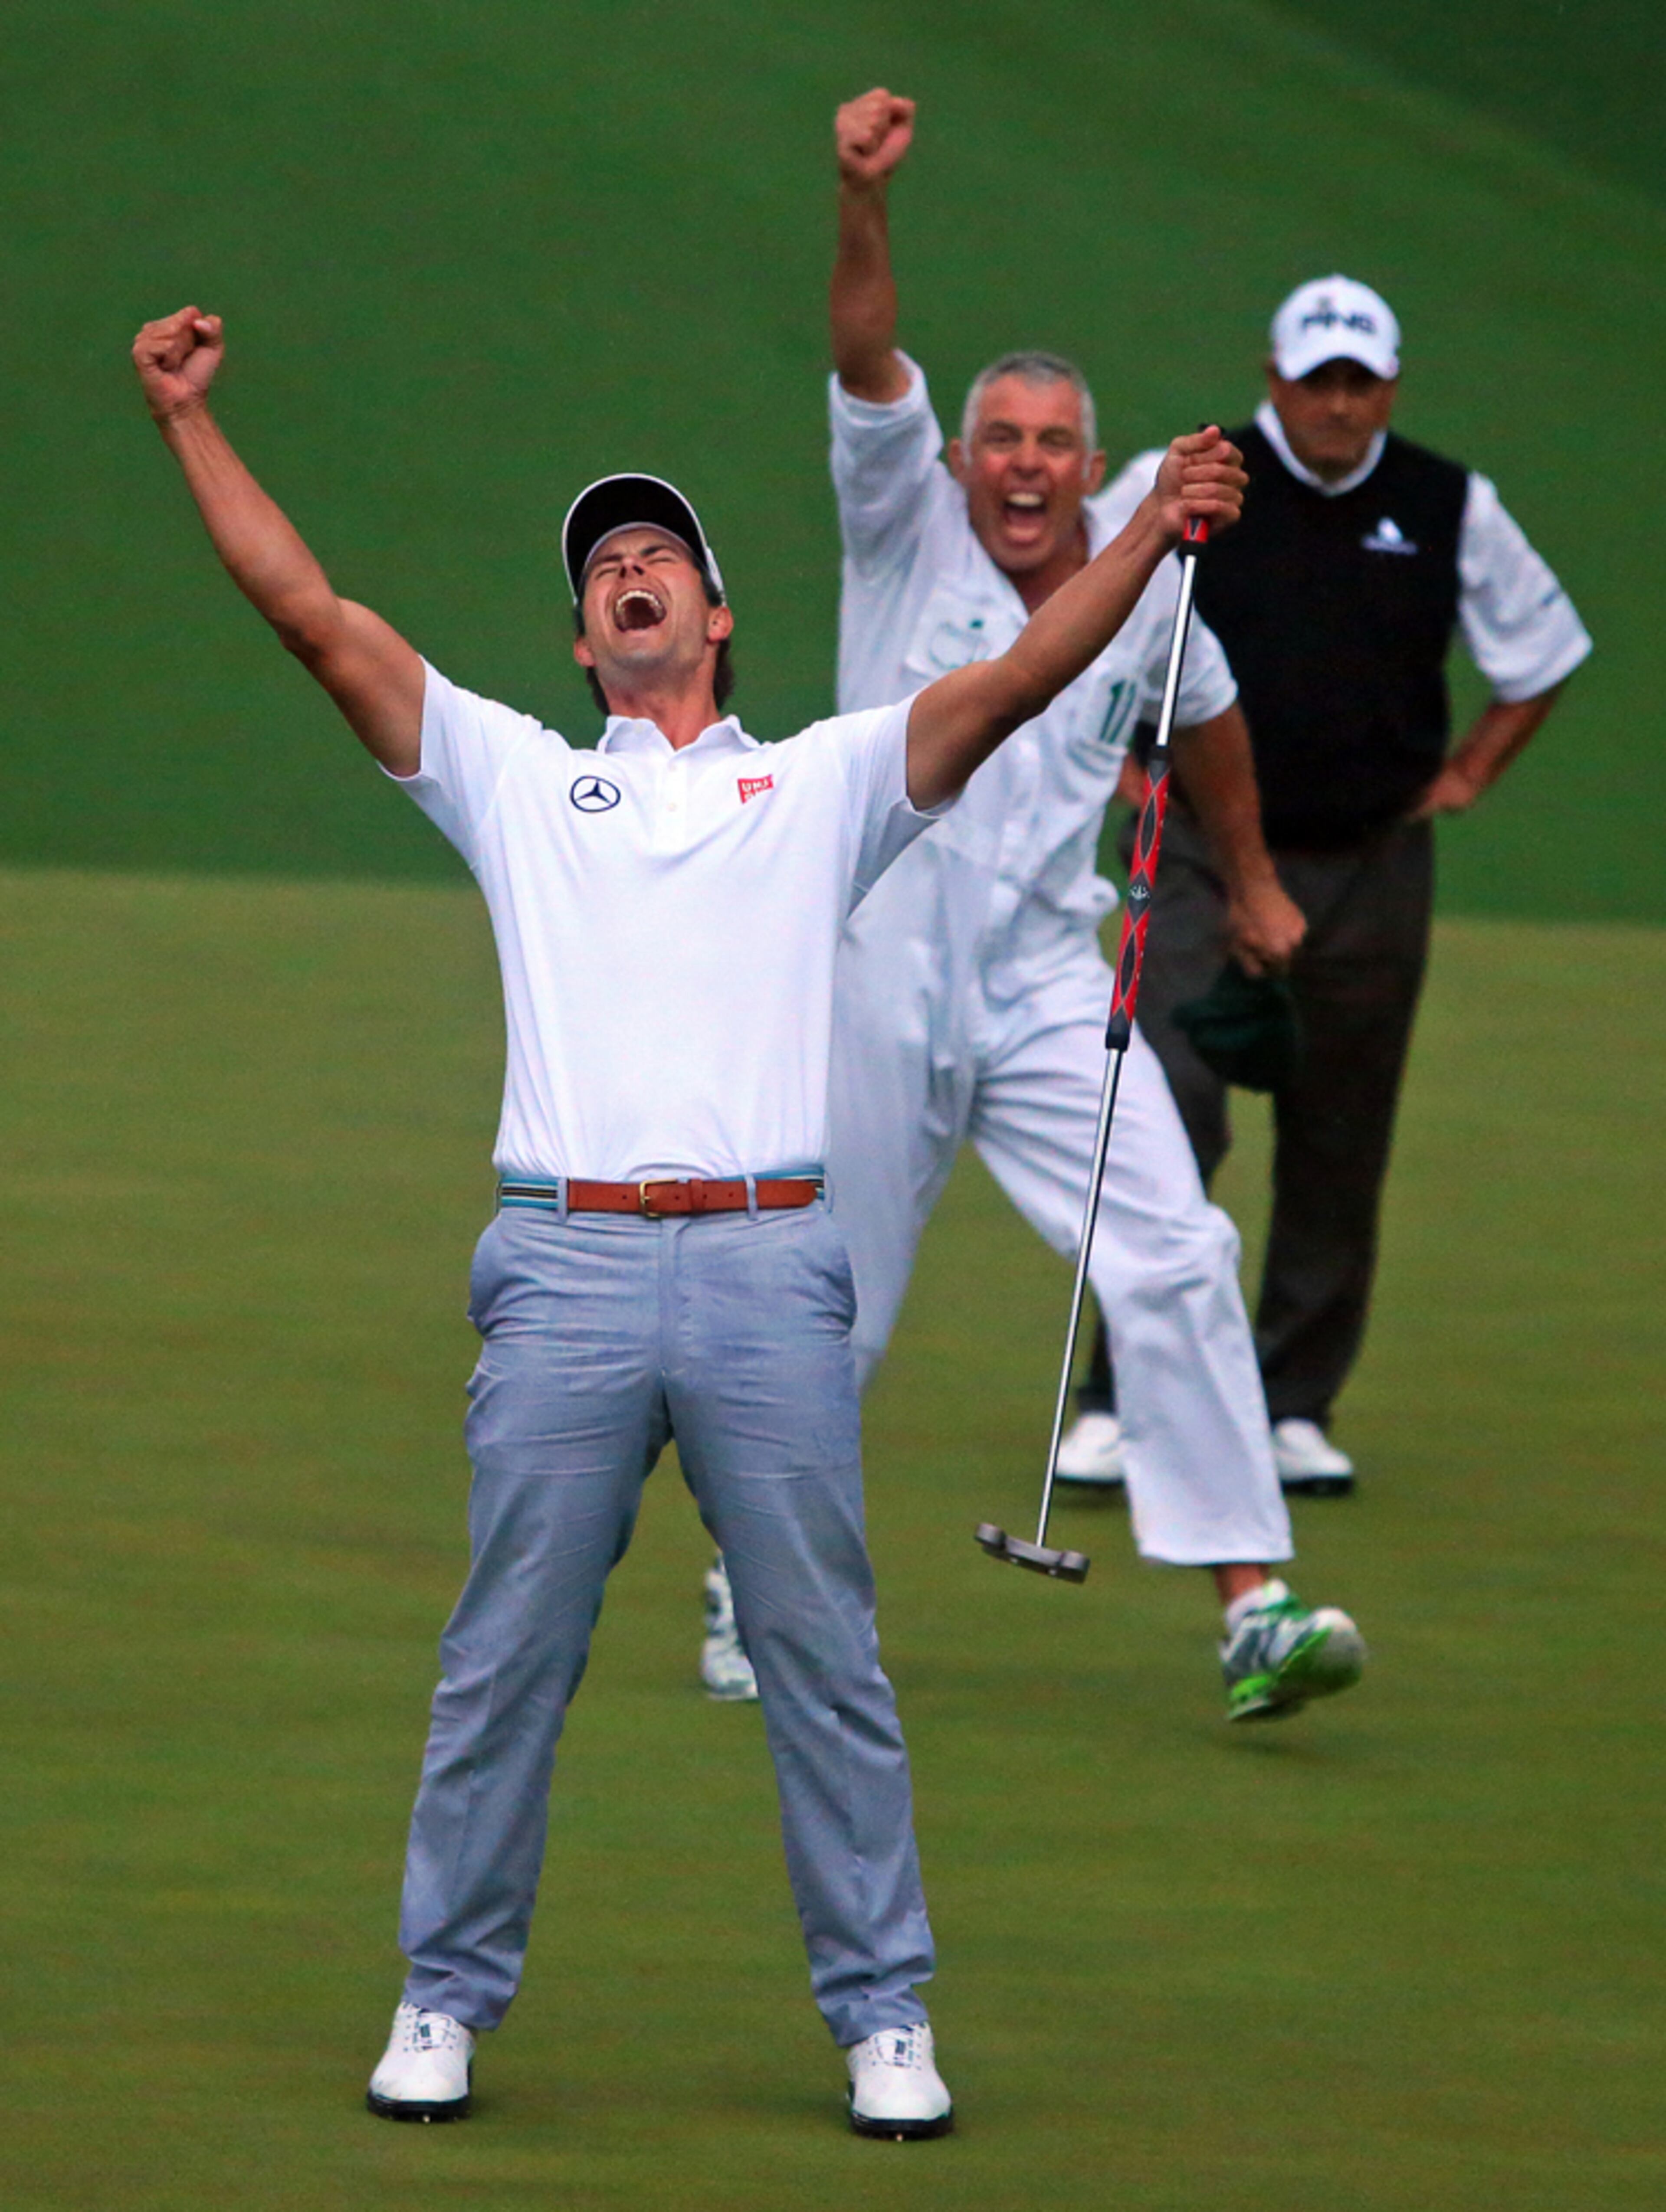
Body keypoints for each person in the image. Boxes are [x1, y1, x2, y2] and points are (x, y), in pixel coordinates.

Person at [131, 298, 1245, 2135]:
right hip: (562, 1262)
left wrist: (1145, 535)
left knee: (824, 1658)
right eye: (603, 571)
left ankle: (885, 2019)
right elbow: (312, 616)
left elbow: (1023, 680)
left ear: (715, 615)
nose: (630, 574)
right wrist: (186, 419)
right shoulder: (516, 779)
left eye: (659, 557)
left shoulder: (819, 783)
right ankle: (442, 1997)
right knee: (504, 1659)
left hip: (767, 1262)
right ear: (586, 640)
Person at [699, 89, 1365, 1726]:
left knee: (1178, 1248)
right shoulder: (899, 521)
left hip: (1044, 977)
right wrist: (861, 196)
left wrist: (1255, 878)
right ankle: (750, 1585)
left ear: (1089, 467)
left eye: (1054, 444)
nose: (1023, 465)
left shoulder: (1145, 578)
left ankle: (1252, 1607)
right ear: (960, 459)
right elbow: (867, 349)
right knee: (834, 1304)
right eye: (1000, 438)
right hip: (868, 970)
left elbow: (1207, 710)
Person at [1059, 275, 1593, 1495]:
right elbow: (1083, 612)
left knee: (1340, 1133)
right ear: (1275, 379)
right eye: (1318, 381)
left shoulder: (1450, 503)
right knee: (1168, 1111)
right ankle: (1122, 1394)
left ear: (1390, 389)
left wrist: (1468, 773)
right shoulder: (1197, 479)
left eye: (1360, 382)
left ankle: (1293, 1401)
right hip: (1193, 852)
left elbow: (1545, 650)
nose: (1338, 404)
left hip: (1369, 864)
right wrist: (1115, 760)